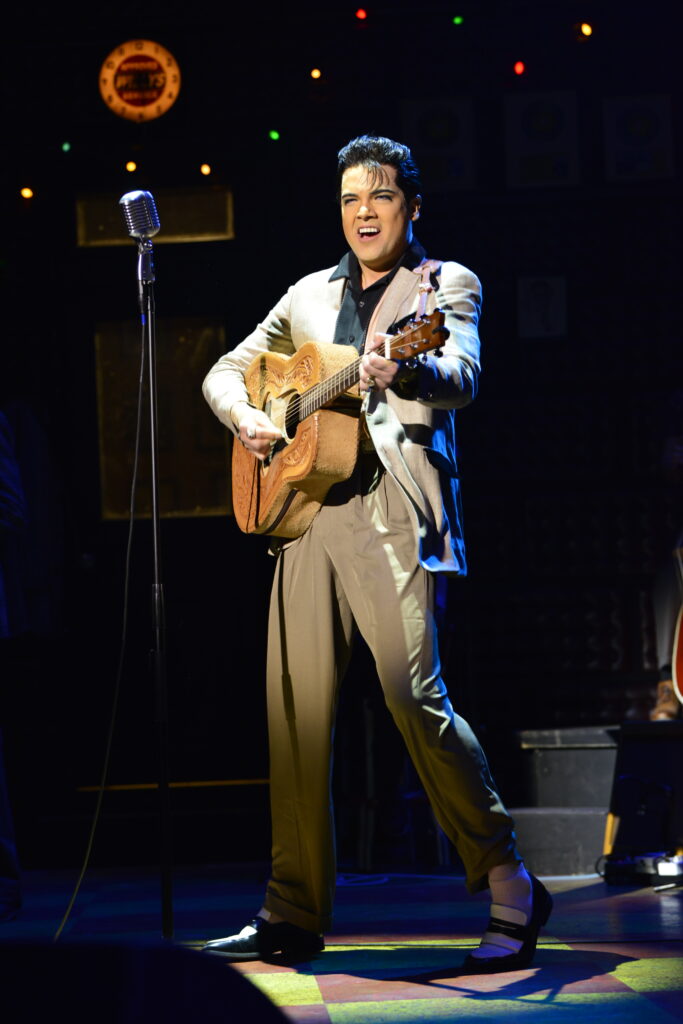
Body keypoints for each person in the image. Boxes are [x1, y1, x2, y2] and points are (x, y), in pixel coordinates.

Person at [201, 135, 552, 973]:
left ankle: (509, 882)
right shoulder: (307, 295)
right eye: (351, 198)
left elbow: (462, 374)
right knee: (294, 715)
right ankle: (291, 909)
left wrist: (406, 372)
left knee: (412, 698)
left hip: (391, 510)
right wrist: (247, 418)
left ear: (412, 206)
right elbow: (225, 370)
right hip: (305, 513)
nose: (364, 211)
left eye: (381, 196)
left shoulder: (443, 284)